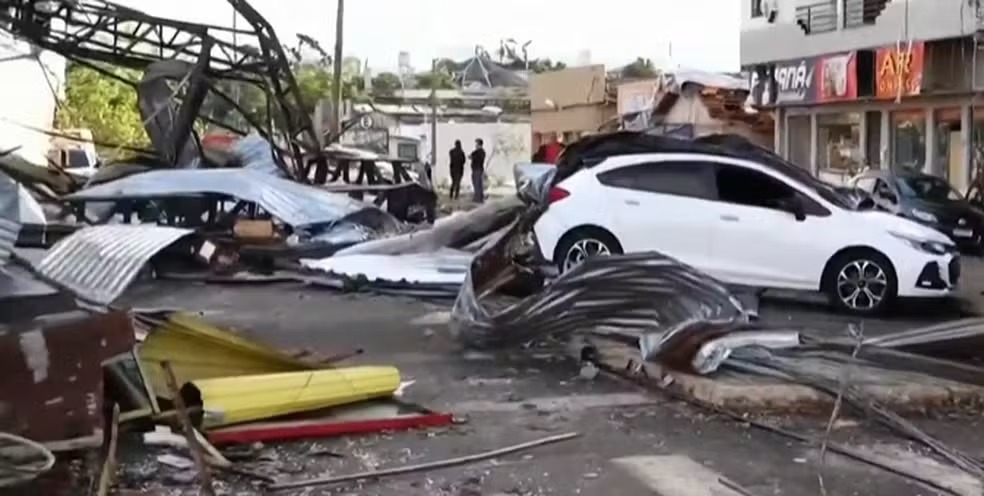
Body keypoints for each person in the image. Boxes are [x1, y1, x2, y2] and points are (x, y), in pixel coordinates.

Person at [470, 138, 486, 203]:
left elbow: (477, 158)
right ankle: (480, 197)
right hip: (477, 169)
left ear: (479, 144)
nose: (475, 145)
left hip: (477, 169)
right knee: (478, 184)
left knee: (477, 184)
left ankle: (478, 198)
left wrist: (472, 157)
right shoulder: (479, 152)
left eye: (476, 144)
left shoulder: (480, 152)